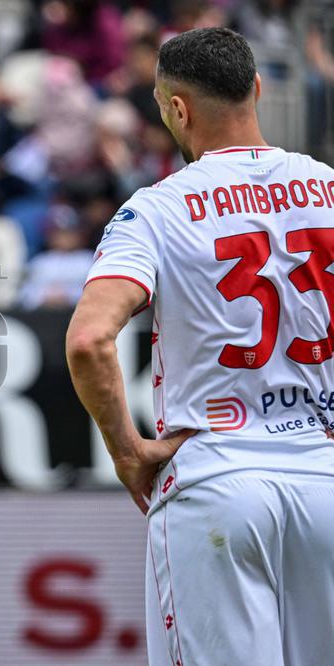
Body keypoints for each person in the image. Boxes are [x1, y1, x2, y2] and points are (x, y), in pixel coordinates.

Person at [66, 28, 334, 666]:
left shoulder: (156, 210)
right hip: (325, 480)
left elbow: (88, 340)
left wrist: (128, 452)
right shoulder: (327, 185)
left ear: (178, 109)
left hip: (216, 480)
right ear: (257, 90)